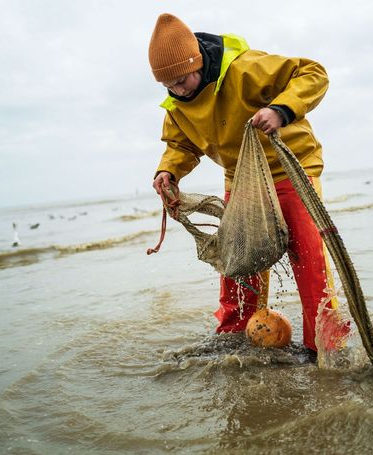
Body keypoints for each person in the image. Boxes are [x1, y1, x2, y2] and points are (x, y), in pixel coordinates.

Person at [148, 13, 346, 353]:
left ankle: (325, 350)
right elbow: (180, 144)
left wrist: (281, 109)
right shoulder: (177, 105)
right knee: (238, 269)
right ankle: (234, 342)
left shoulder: (244, 68)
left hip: (289, 171)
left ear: (197, 62)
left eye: (183, 79)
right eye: (169, 85)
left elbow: (313, 73)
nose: (178, 90)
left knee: (309, 265)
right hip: (242, 183)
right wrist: (168, 171)